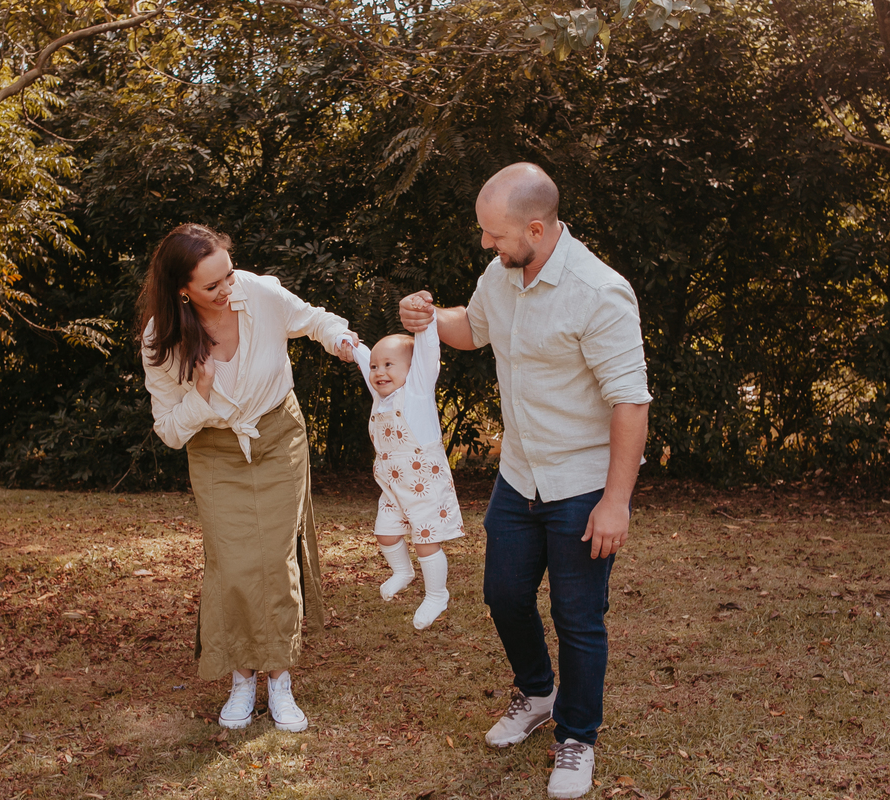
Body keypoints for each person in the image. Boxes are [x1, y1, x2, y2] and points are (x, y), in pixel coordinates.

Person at [398, 163, 652, 799]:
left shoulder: (600, 292)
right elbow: (472, 329)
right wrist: (428, 316)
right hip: (519, 476)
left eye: (495, 235)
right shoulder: (503, 273)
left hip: (581, 482)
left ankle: (577, 737)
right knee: (504, 594)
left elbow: (631, 402)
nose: (486, 245)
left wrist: (615, 502)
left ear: (536, 228)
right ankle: (538, 692)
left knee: (578, 617)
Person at [139, 223, 359, 733]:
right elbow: (170, 430)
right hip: (216, 452)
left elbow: (315, 320)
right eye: (212, 286)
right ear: (182, 291)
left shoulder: (258, 293)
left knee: (275, 557)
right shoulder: (161, 338)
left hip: (279, 437)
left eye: (229, 275)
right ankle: (242, 678)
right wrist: (201, 395)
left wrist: (341, 338)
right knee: (233, 564)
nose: (227, 290)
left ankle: (279, 679)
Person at [345, 322, 466, 630]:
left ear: (413, 370)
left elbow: (427, 352)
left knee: (426, 543)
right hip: (393, 487)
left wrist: (425, 324)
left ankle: (437, 595)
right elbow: (362, 358)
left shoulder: (417, 391)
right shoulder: (381, 398)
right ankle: (403, 572)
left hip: (425, 485)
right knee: (385, 533)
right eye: (375, 366)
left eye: (388, 364)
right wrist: (345, 342)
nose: (378, 372)